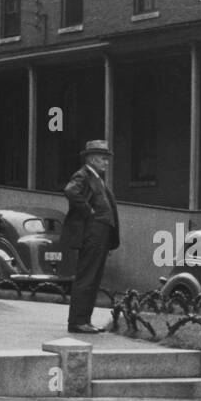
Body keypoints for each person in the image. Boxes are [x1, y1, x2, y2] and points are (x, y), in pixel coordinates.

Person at [62, 140, 121, 334]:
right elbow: (70, 191)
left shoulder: (96, 177)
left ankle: (84, 320)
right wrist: (90, 212)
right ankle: (78, 321)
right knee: (87, 277)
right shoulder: (84, 175)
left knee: (93, 278)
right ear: (93, 159)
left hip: (100, 234)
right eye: (103, 159)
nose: (106, 163)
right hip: (92, 233)